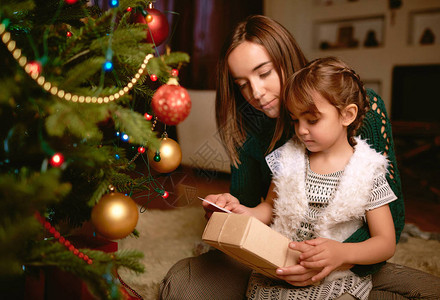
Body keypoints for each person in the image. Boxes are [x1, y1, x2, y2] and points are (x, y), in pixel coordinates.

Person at [159, 15, 440, 300]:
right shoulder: (260, 136)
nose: (255, 93)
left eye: (264, 73)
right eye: (242, 83)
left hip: (347, 261)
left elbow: (388, 226)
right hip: (277, 257)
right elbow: (261, 211)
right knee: (184, 282)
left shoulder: (356, 109)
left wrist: (331, 259)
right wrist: (232, 212)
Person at [212, 56, 397, 300]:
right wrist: (245, 213)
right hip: (281, 267)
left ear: (347, 115)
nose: (301, 130)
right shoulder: (288, 159)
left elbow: (385, 242)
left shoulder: (367, 170)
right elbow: (269, 207)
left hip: (337, 276)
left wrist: (342, 253)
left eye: (312, 120)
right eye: (295, 120)